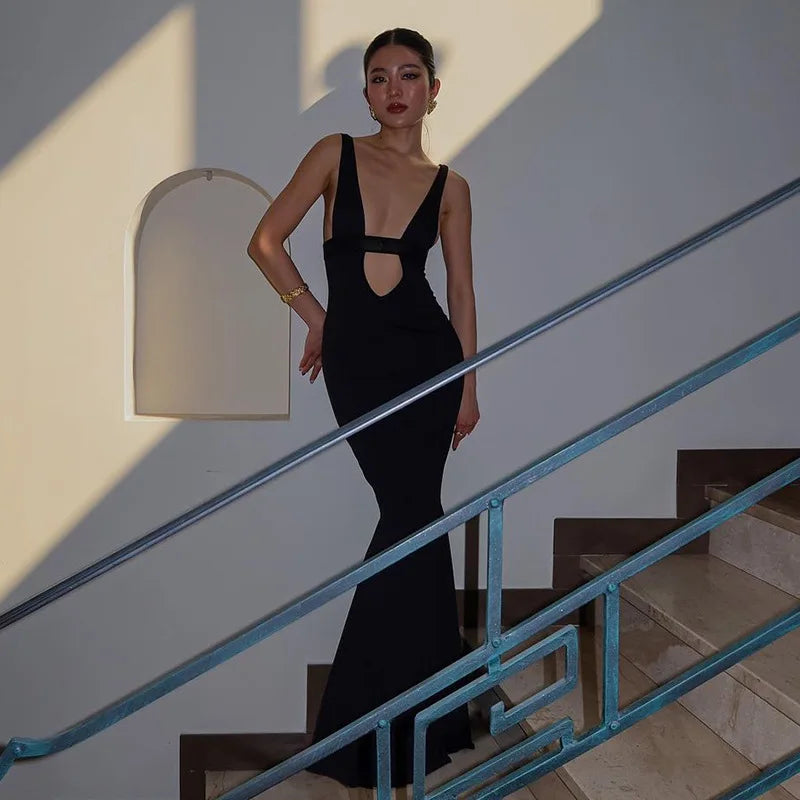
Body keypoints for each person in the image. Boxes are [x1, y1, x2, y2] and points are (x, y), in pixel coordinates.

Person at [247, 27, 479, 790]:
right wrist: (317, 319)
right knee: (412, 518)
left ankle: (380, 728)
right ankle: (415, 722)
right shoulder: (332, 153)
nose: (394, 89)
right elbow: (264, 241)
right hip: (359, 361)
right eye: (379, 77)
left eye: (409, 75)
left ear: (433, 90)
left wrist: (470, 383)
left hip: (429, 360)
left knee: (413, 520)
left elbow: (461, 290)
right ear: (367, 92)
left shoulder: (451, 186)